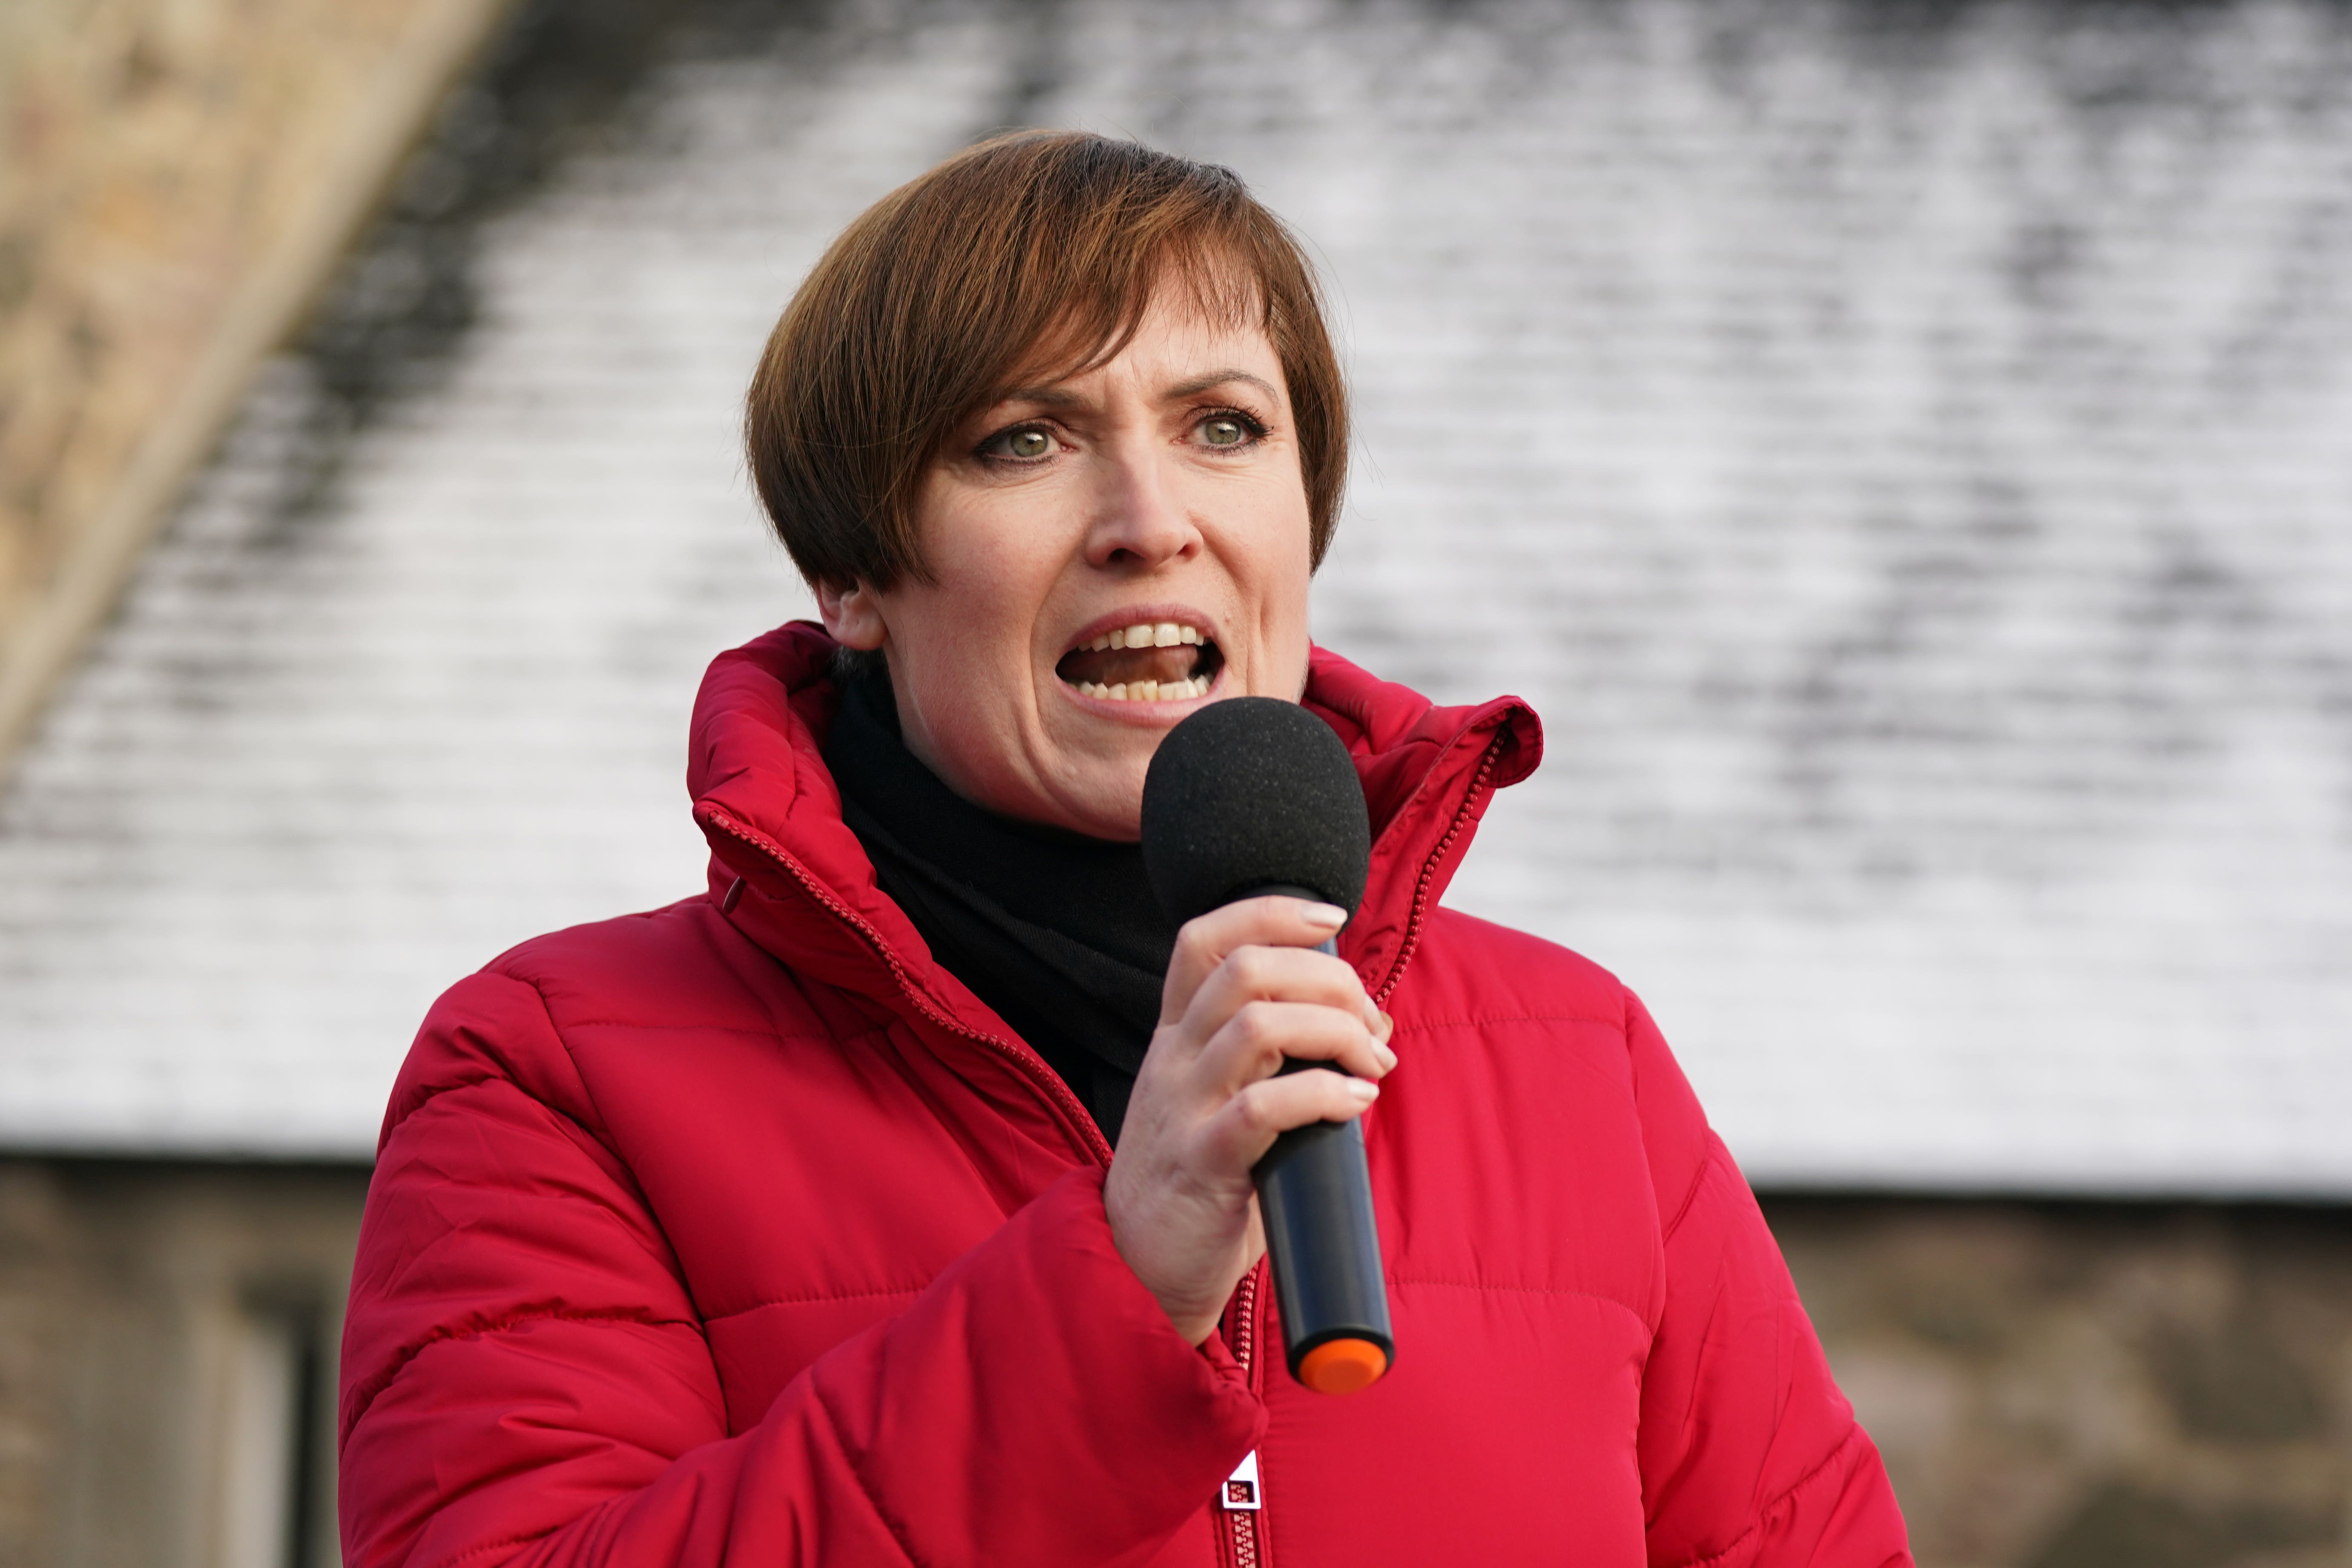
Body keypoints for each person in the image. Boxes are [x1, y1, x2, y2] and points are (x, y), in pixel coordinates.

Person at [337, 131, 1912, 1568]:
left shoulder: (1581, 1063)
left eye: (1223, 426)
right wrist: (1109, 1285)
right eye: (1023, 440)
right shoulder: (551, 1075)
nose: (1148, 517)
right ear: (854, 574)